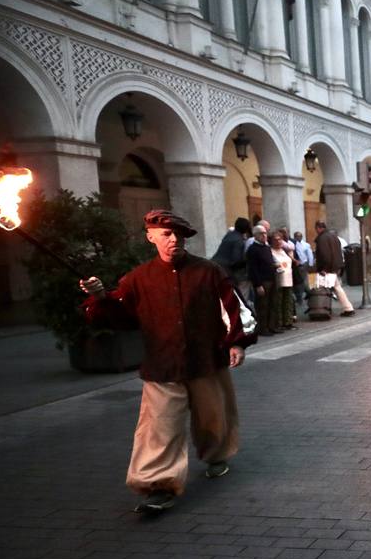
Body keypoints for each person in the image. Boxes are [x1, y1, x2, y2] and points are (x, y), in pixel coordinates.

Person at [79, 210, 254, 513]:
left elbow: (233, 307)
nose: (174, 240)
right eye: (166, 235)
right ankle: (158, 485)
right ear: (151, 237)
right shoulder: (137, 278)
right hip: (162, 365)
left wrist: (236, 341)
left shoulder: (209, 271)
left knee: (213, 418)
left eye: (179, 235)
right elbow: (119, 316)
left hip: (206, 359)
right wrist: (100, 299)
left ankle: (215, 456)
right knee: (158, 427)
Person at [314, 219, 356, 316]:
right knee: (336, 287)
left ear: (318, 228)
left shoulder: (322, 239)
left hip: (327, 268)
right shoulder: (334, 237)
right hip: (335, 266)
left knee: (322, 289)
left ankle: (323, 309)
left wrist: (324, 268)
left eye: (316, 228)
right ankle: (348, 308)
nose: (316, 231)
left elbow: (325, 255)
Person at [210, 217, 252, 309]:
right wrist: (248, 259)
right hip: (226, 271)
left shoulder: (229, 235)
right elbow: (235, 261)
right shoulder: (239, 240)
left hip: (214, 265)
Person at [246, 224, 278, 336]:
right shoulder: (253, 249)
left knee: (272, 304)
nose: (265, 236)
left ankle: (272, 326)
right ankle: (263, 328)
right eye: (262, 234)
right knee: (262, 306)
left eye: (265, 233)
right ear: (255, 235)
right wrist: (258, 284)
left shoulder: (266, 247)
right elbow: (252, 268)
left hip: (272, 279)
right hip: (262, 281)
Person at [269, 230, 296, 331]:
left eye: (280, 239)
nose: (279, 242)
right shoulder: (271, 251)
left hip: (288, 279)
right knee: (279, 302)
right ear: (272, 241)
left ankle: (288, 322)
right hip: (278, 280)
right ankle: (279, 323)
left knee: (288, 301)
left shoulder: (283, 251)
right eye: (276, 240)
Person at [291, 229, 313, 308]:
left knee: (303, 281)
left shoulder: (305, 245)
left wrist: (310, 264)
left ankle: (307, 293)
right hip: (297, 265)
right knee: (302, 281)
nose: (298, 238)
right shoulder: (293, 244)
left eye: (300, 236)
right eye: (297, 236)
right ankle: (308, 293)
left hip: (303, 264)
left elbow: (309, 254)